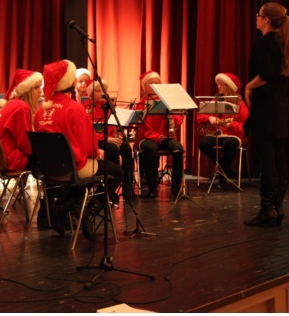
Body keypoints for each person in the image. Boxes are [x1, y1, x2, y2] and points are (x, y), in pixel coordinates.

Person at [34, 60, 122, 242]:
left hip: (47, 170)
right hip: (71, 169)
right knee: (115, 172)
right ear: (71, 82)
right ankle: (89, 212)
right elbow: (88, 146)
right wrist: (97, 153)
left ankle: (64, 207)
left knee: (89, 174)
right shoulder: (74, 108)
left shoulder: (40, 110)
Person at [243, 2, 289, 227]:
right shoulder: (283, 42)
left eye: (258, 15)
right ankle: (277, 206)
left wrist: (249, 86)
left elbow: (266, 74)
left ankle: (268, 210)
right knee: (277, 158)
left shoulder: (265, 42)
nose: (256, 18)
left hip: (266, 108)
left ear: (266, 19)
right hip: (280, 107)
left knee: (268, 161)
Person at [134, 71, 185, 199]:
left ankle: (176, 188)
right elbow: (144, 128)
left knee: (178, 149)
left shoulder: (167, 102)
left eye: (157, 83)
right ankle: (151, 188)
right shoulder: (140, 105)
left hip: (165, 137)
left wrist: (172, 117)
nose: (155, 86)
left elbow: (178, 119)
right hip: (146, 138)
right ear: (144, 86)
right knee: (150, 148)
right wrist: (156, 137)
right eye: (151, 83)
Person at [197, 73, 249, 187]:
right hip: (215, 134)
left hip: (232, 135)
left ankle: (222, 177)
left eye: (222, 84)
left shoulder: (240, 104)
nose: (218, 86)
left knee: (230, 144)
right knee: (203, 143)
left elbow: (245, 127)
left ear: (229, 87)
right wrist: (209, 118)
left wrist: (230, 124)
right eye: (218, 84)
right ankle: (226, 169)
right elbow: (199, 116)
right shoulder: (214, 101)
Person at [0, 68, 43, 171]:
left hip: (0, 159)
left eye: (40, 87)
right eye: (36, 88)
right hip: (12, 160)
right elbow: (26, 145)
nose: (40, 91)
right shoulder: (21, 107)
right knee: (50, 158)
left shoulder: (13, 103)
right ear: (27, 90)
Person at [83, 78, 121, 166]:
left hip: (109, 138)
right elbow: (86, 131)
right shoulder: (85, 107)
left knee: (126, 148)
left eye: (103, 90)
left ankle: (127, 174)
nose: (102, 93)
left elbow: (114, 125)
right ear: (91, 93)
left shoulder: (109, 105)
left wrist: (118, 137)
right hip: (95, 140)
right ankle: (113, 172)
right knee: (113, 149)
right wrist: (106, 138)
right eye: (98, 91)